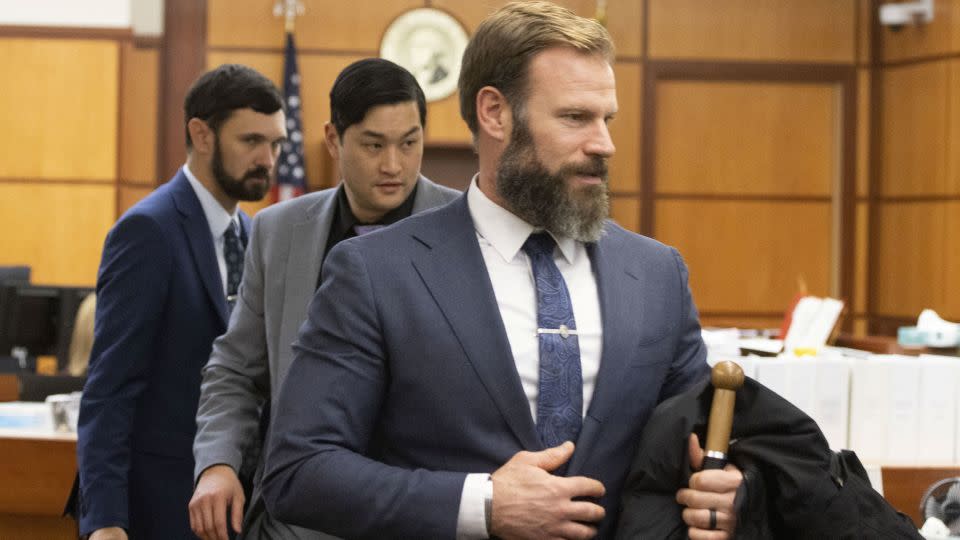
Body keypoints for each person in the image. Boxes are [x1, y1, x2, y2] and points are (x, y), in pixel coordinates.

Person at [262, 2, 742, 539]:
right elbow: (299, 472)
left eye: (606, 119)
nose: (603, 144)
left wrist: (728, 487)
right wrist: (484, 504)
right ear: (494, 113)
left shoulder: (656, 275)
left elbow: (700, 449)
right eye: (574, 117)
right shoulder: (375, 273)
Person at [190, 58, 459, 540]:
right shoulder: (276, 231)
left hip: (422, 517)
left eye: (409, 143)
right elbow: (234, 369)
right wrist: (217, 463)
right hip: (293, 521)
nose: (393, 165)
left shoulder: (468, 231)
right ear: (334, 140)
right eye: (374, 145)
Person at [77, 64, 286, 540]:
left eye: (275, 144)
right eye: (251, 141)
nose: (267, 159)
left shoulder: (255, 235)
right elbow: (109, 389)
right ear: (202, 134)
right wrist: (106, 521)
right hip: (155, 511)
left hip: (239, 509)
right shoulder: (149, 231)